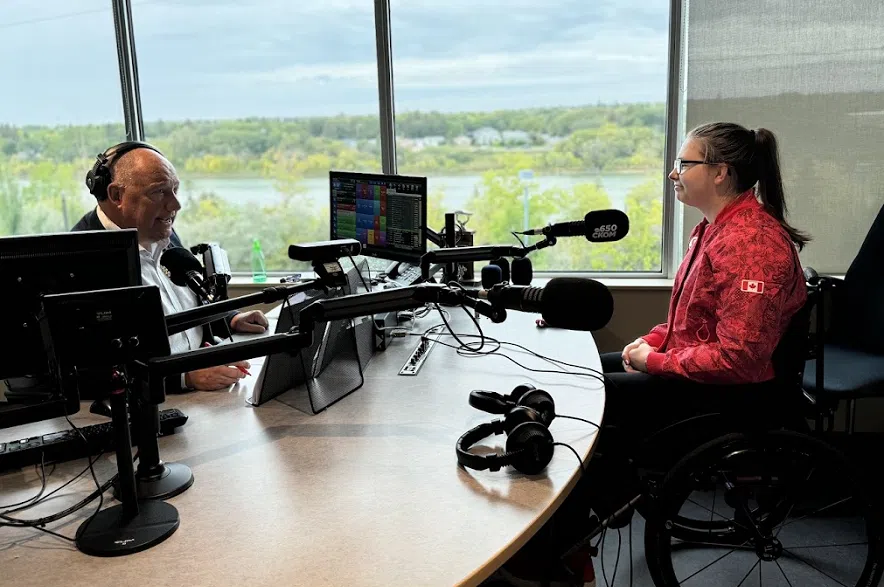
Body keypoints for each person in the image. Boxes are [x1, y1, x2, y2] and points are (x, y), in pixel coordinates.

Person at [499, 122, 811, 585]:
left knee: (591, 404)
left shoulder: (752, 244)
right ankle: (550, 528)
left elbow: (739, 358)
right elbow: (695, 320)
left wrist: (656, 361)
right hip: (699, 374)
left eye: (685, 163)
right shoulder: (714, 230)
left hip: (734, 395)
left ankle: (566, 543)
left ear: (721, 172)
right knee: (574, 373)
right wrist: (651, 342)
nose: (673, 173)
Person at [72, 141, 269, 392]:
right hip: (149, 408)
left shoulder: (158, 229)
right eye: (159, 192)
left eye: (175, 190)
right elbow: (81, 370)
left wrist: (230, 319)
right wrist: (183, 377)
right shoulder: (80, 261)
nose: (175, 205)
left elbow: (184, 300)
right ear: (116, 195)